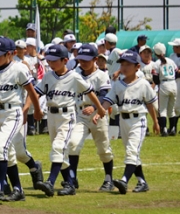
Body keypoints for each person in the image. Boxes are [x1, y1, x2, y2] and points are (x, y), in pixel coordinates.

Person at [34, 44, 106, 197]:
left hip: (67, 116)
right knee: (61, 152)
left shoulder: (74, 76)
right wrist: (31, 108)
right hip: (52, 116)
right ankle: (70, 183)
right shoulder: (48, 76)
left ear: (65, 60)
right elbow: (36, 92)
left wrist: (99, 108)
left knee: (58, 147)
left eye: (54, 60)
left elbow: (90, 92)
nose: (51, 63)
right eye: (49, 60)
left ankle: (50, 182)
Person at [0, 37, 42, 202]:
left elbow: (32, 92)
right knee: (8, 153)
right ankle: (18, 190)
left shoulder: (19, 69)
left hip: (13, 112)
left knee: (0, 147)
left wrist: (37, 111)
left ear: (10, 54)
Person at [101, 50, 159, 194]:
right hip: (123, 120)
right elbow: (108, 100)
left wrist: (155, 122)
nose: (124, 67)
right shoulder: (118, 85)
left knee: (132, 151)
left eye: (128, 64)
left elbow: (150, 104)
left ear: (137, 67)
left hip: (138, 120)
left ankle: (124, 180)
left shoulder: (143, 84)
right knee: (132, 152)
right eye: (122, 64)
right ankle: (142, 181)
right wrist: (99, 112)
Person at [66, 44, 114, 191]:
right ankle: (72, 179)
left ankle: (108, 179)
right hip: (80, 114)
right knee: (73, 144)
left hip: (98, 114)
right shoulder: (75, 73)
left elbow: (105, 95)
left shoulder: (101, 75)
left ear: (95, 59)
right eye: (80, 59)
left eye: (87, 59)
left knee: (103, 149)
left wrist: (94, 107)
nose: (83, 62)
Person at [152, 42, 177, 136]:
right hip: (173, 83)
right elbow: (177, 73)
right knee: (171, 109)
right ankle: (173, 128)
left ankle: (164, 129)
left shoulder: (156, 63)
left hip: (164, 84)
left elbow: (155, 79)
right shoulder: (171, 61)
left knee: (162, 109)